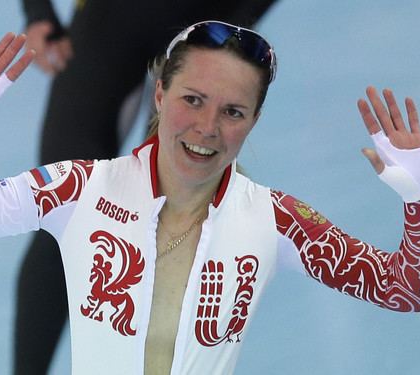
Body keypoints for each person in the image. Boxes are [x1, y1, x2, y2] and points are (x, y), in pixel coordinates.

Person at [0, 21, 420, 374]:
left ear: (253, 122)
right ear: (159, 93)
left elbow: (410, 290)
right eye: (193, 99)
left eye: (233, 112)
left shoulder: (276, 221)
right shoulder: (78, 191)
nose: (207, 128)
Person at [20, 2, 278, 371]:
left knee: (169, 216)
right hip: (111, 22)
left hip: (206, 21)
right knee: (60, 209)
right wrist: (38, 13)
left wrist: (235, 23)